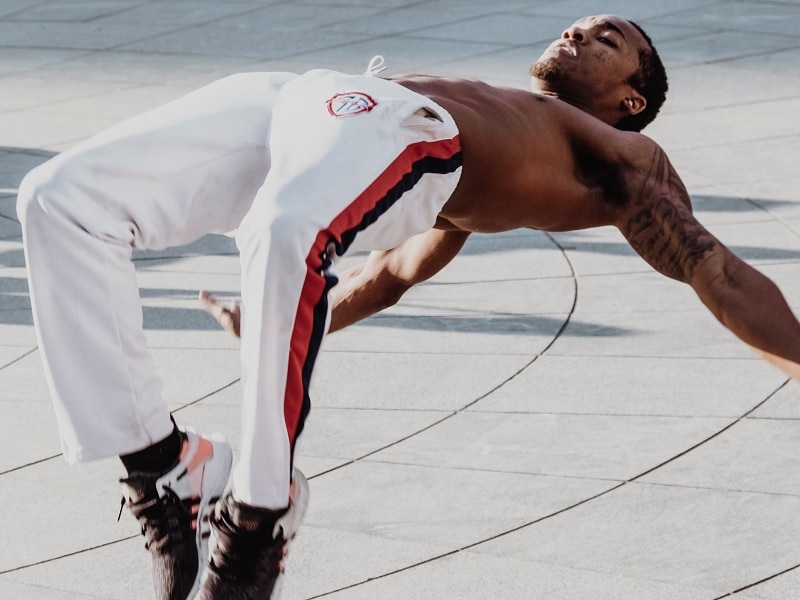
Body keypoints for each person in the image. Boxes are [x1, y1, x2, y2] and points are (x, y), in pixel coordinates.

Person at [19, 14, 797, 600]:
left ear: (632, 98)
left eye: (608, 38)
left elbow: (719, 274)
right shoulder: (510, 131)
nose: (579, 29)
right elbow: (390, 274)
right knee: (58, 200)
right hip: (302, 102)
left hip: (391, 127)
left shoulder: (628, 161)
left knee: (288, 230)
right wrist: (281, 319)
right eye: (583, 22)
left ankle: (259, 516)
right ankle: (168, 468)